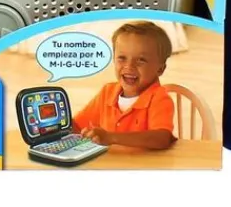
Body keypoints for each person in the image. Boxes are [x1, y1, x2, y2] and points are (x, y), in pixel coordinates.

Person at [72, 21, 175, 150]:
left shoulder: (159, 98)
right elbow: (76, 125)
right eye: (122, 58)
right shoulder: (107, 92)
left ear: (160, 69)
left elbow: (162, 139)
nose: (129, 66)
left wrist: (111, 137)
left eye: (141, 60)